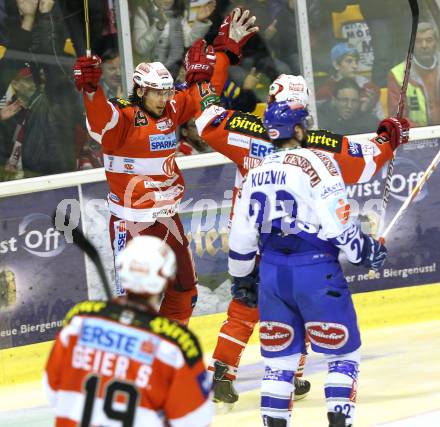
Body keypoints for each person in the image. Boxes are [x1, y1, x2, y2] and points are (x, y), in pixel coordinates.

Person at [194, 73, 409, 404]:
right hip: (302, 245)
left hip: (254, 235)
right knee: (302, 303)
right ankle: (292, 374)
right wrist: (388, 138)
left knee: (244, 303)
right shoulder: (317, 143)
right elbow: (365, 162)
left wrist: (209, 75)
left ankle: (223, 369)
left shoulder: (242, 129)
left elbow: (207, 121)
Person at [72, 8, 258, 325]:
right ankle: (136, 362)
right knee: (133, 305)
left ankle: (170, 349)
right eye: (157, 92)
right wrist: (92, 90)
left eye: (167, 91)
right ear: (141, 90)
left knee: (186, 292)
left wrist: (224, 52)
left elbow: (204, 93)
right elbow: (101, 118)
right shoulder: (124, 119)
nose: (163, 98)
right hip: (132, 225)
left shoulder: (171, 108)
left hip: (168, 220)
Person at [227, 100, 388, 427]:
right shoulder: (318, 162)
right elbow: (337, 222)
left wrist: (242, 279)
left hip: (272, 276)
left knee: (279, 364)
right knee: (342, 357)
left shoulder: (254, 172)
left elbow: (241, 237)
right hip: (315, 272)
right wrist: (363, 252)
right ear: (299, 129)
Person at [43, 236, 213, 426]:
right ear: (167, 279)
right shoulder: (175, 346)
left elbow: (52, 390)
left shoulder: (79, 323)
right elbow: (195, 420)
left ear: (123, 271)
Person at [388, 21, 440, 127]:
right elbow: (397, 117)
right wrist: (424, 133)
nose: (424, 45)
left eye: (429, 40)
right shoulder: (397, 74)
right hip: (416, 137)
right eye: (418, 41)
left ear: (436, 43)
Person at [317, 42, 381, 119]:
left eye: (356, 61)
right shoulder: (325, 91)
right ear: (336, 65)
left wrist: (369, 108)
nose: (355, 66)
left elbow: (380, 120)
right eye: (349, 61)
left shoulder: (369, 89)